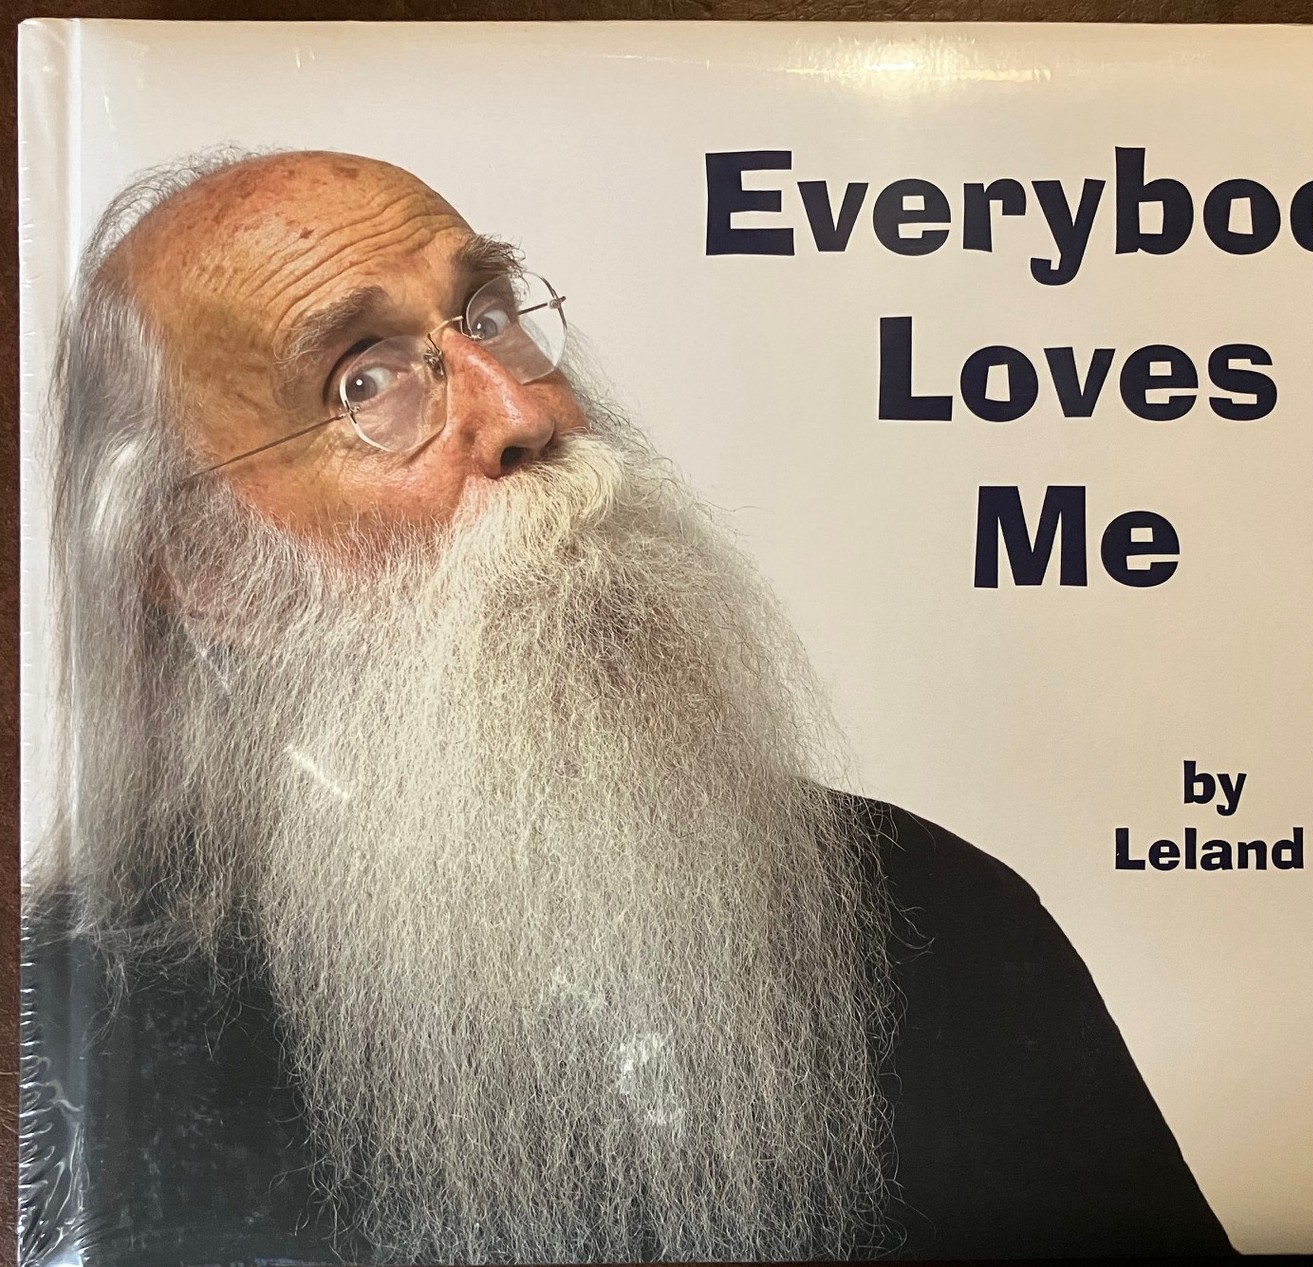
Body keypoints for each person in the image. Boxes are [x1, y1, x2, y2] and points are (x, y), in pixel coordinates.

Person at [20, 149, 1232, 1266]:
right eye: (366, 382)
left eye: (487, 315)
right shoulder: (67, 1048)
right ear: (207, 567)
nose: (526, 412)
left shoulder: (939, 910)